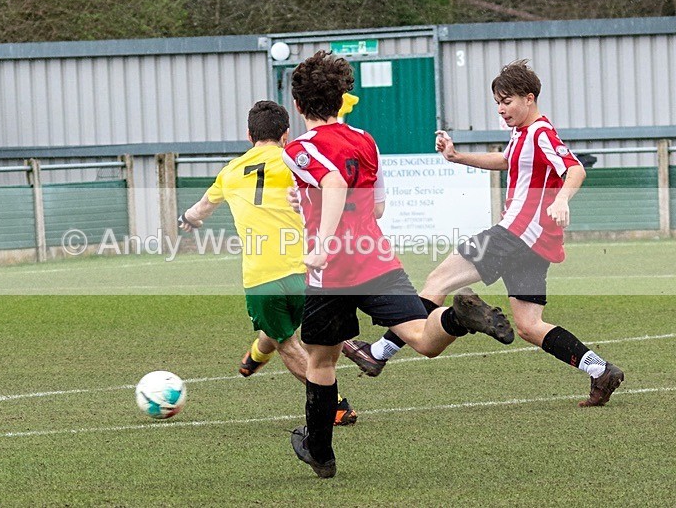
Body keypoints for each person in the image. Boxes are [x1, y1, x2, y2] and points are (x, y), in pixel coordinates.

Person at [342, 59, 625, 408]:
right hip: (533, 244)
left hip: (515, 234)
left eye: (507, 101)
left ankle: (379, 351)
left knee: (437, 282)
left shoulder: (540, 132)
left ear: (529, 98)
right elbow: (506, 160)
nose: (501, 109)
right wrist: (457, 156)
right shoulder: (523, 133)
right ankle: (599, 369)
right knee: (529, 325)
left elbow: (574, 168)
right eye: (497, 103)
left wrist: (563, 199)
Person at [283, 51, 511, 479]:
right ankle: (460, 320)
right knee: (424, 339)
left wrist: (323, 241)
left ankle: (321, 454)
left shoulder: (299, 148)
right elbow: (379, 207)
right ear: (341, 97)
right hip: (377, 260)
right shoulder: (365, 140)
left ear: (298, 104)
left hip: (332, 273)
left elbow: (332, 182)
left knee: (321, 362)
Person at [177, 100, 357, 427]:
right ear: (287, 134)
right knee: (304, 332)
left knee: (286, 342)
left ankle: (334, 404)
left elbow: (200, 209)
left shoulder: (229, 172)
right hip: (308, 268)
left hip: (262, 276)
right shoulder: (296, 160)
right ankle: (263, 359)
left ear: (249, 135)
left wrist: (189, 219)